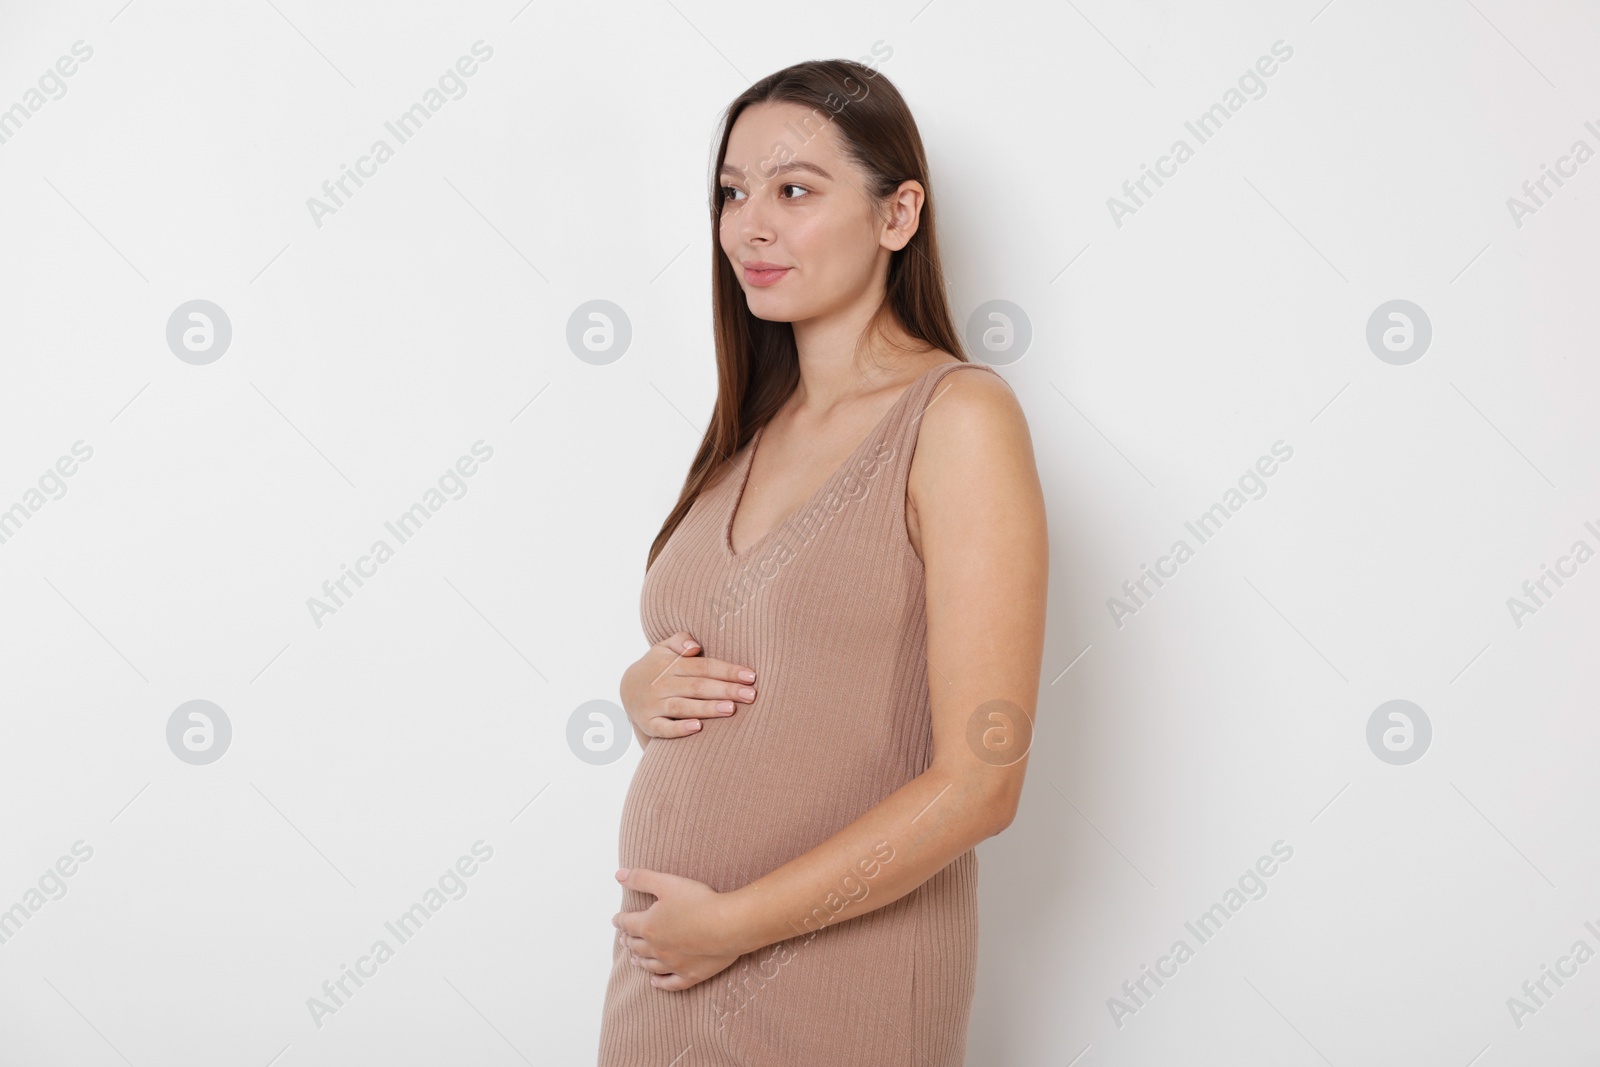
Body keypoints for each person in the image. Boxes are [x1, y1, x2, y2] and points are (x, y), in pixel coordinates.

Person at [598, 57, 1047, 1066]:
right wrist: (641, 687)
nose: (748, 225)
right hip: (667, 978)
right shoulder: (751, 429)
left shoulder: (958, 418)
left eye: (794, 190)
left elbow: (982, 779)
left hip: (841, 981)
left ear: (897, 216)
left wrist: (733, 923)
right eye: (732, 191)